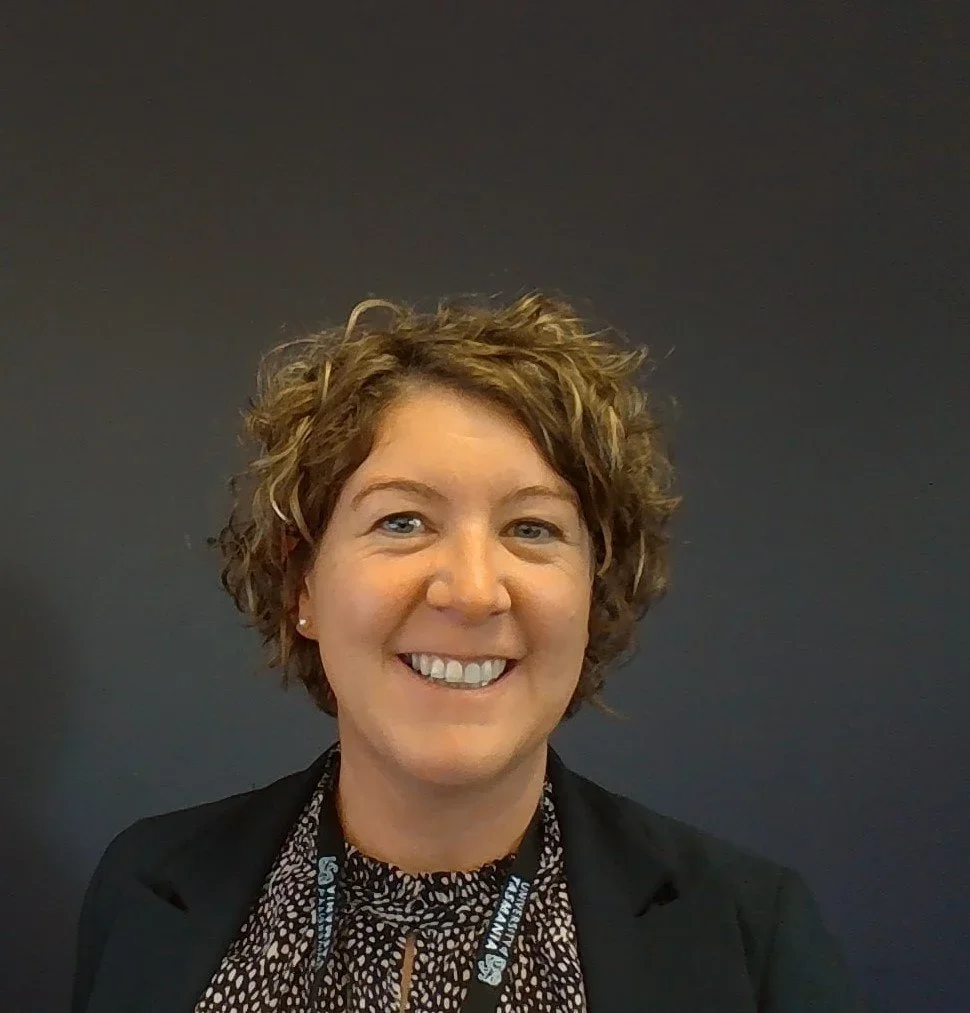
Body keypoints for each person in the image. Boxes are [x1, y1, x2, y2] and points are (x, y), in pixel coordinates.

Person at [71, 292, 867, 1012]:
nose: (474, 590)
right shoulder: (147, 886)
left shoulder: (749, 935)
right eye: (403, 521)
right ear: (302, 584)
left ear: (597, 590)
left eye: (532, 528)